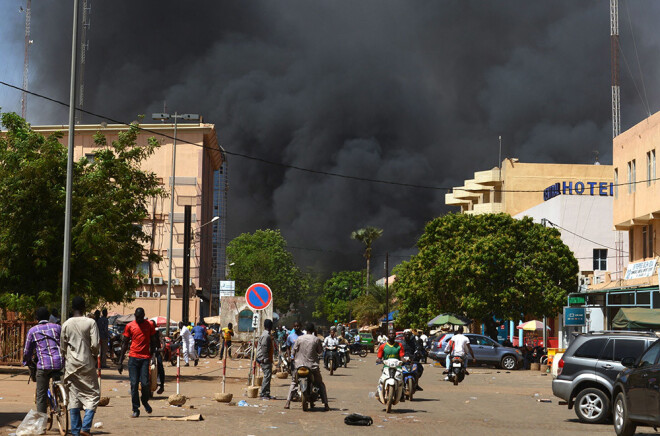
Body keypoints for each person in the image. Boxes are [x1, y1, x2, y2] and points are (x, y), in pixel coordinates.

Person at [61, 296, 100, 436]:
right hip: (87, 363)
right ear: (84, 307)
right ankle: (86, 427)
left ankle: (76, 431)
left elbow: (63, 347)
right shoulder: (90, 322)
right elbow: (95, 345)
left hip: (71, 364)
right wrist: (94, 355)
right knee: (93, 395)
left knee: (74, 397)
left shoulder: (66, 324)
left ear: (72, 308)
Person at [22, 307, 63, 415]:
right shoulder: (57, 327)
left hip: (44, 365)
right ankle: (59, 397)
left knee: (41, 394)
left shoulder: (33, 331)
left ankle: (42, 424)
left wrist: (26, 362)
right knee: (56, 376)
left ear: (36, 318)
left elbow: (27, 351)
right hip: (59, 362)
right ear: (49, 317)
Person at [118, 308, 157, 417]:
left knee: (145, 384)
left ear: (144, 316)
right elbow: (125, 344)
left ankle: (144, 401)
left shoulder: (149, 325)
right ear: (135, 316)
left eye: (140, 317)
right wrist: (120, 361)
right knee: (134, 384)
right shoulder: (130, 326)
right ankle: (136, 409)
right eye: (137, 317)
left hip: (145, 358)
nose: (138, 319)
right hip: (133, 358)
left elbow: (153, 341)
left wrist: (153, 355)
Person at [284, 322, 329, 411]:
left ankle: (287, 402)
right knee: (320, 384)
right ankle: (326, 404)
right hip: (312, 366)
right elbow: (320, 352)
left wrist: (292, 358)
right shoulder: (316, 339)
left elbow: (292, 352)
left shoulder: (299, 339)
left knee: (293, 382)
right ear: (313, 330)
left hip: (299, 365)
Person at [257, 318, 275, 399]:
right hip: (264, 359)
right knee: (267, 376)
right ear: (270, 326)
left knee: (268, 375)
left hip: (265, 358)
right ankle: (263, 393)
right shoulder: (266, 335)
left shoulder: (266, 334)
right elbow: (264, 347)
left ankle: (267, 393)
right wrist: (266, 358)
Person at [150, 320, 166, 394]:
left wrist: (162, 347)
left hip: (156, 352)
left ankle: (162, 385)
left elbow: (162, 340)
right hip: (147, 352)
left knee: (160, 366)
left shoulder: (157, 332)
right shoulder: (146, 332)